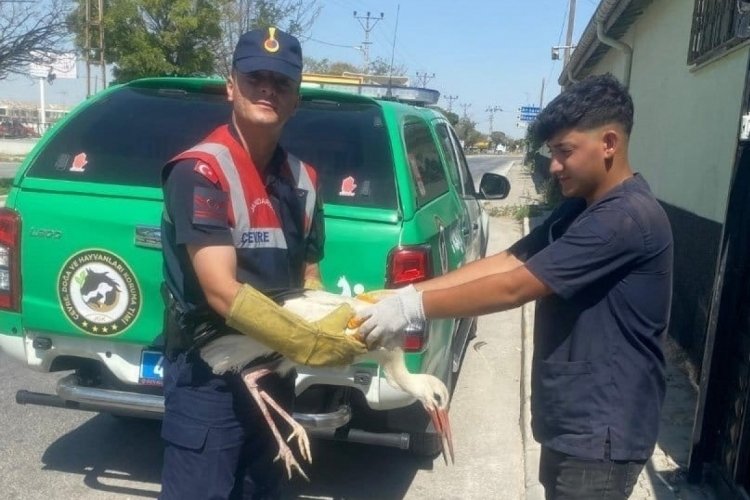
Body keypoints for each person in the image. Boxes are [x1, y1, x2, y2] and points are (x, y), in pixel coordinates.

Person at [358, 73, 673, 499]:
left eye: (565, 152)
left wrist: (414, 309)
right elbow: (509, 260)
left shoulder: (624, 219)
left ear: (610, 144)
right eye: (551, 152)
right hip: (572, 424)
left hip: (602, 435)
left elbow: (516, 287)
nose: (554, 166)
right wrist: (408, 295)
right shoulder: (581, 210)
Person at [159, 27, 365, 500]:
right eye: (255, 78)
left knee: (263, 492)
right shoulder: (202, 171)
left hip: (274, 371)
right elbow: (219, 291)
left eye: (281, 82)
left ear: (296, 99)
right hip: (209, 374)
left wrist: (345, 323)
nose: (268, 89)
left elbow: (309, 277)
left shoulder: (305, 181)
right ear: (231, 85)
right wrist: (311, 344)